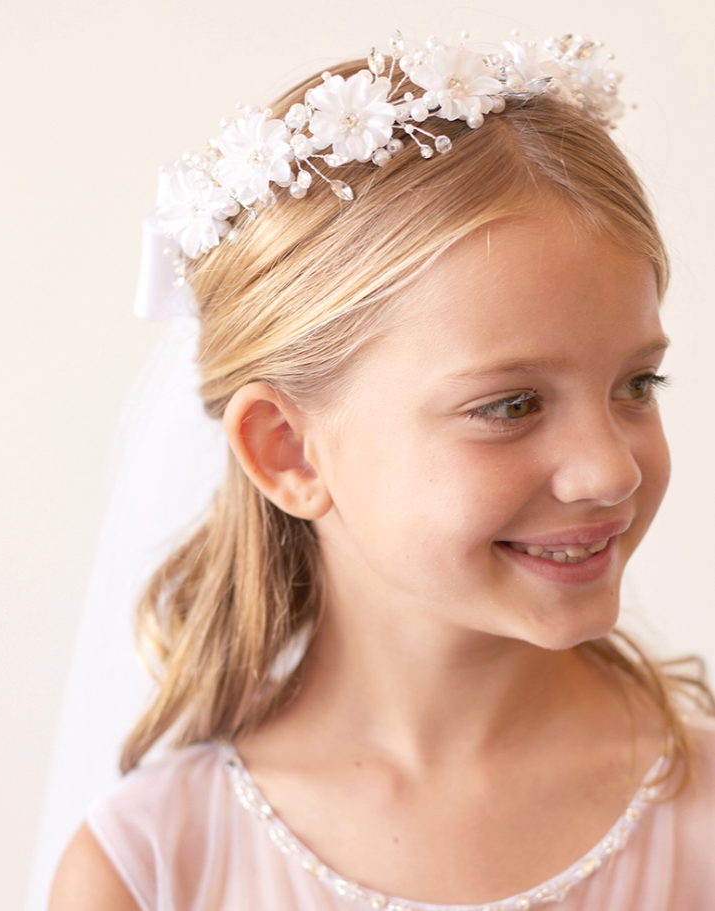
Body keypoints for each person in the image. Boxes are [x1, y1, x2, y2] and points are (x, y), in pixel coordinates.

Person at [47, 31, 715, 911]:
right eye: (511, 404)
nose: (609, 470)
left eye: (636, 384)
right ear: (287, 451)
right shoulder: (152, 868)